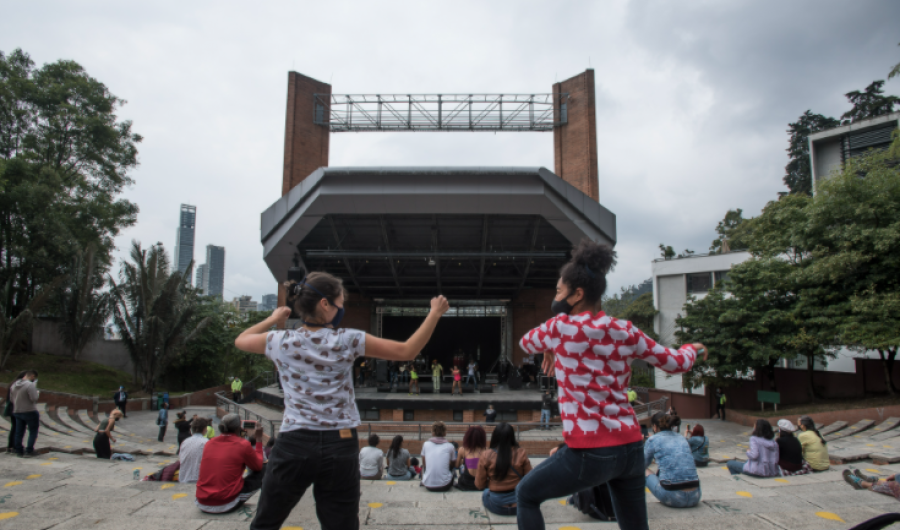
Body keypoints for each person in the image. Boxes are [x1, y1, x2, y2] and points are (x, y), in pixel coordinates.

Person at [233, 268, 449, 530]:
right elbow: (407, 350)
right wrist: (435, 313)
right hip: (340, 443)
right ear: (325, 304)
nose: (341, 310)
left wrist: (273, 317)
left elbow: (241, 340)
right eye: (339, 305)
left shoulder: (280, 341)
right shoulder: (348, 339)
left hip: (293, 443)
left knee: (266, 522)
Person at [515, 239, 708, 530]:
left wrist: (548, 347)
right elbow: (675, 362)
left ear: (577, 294)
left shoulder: (558, 328)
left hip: (589, 451)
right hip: (630, 447)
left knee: (526, 494)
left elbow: (525, 341)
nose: (556, 298)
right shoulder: (625, 331)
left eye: (559, 291)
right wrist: (695, 349)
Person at [195, 414, 265, 513]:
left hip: (202, 501)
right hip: (226, 503)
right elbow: (258, 467)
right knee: (265, 469)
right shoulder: (243, 444)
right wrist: (258, 441)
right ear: (238, 428)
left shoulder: (209, 443)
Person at [644, 413, 701, 508]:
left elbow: (642, 464)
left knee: (643, 470)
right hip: (696, 496)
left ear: (655, 426)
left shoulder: (653, 439)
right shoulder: (682, 438)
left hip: (673, 497)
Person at [476, 422, 533, 516]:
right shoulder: (521, 452)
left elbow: (479, 485)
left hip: (497, 506)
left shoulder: (486, 455)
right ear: (512, 437)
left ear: (494, 437)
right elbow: (531, 479)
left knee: (486, 493)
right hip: (519, 505)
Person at [11, 370, 41, 458]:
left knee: (19, 432)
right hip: (29, 411)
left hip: (17, 410)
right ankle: (29, 450)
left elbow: (11, 398)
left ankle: (19, 450)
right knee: (33, 431)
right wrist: (37, 393)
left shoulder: (14, 385)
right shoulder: (30, 385)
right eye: (34, 378)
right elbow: (34, 398)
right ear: (32, 376)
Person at [421, 421, 456, 492]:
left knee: (424, 467)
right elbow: (453, 464)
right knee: (452, 468)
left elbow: (424, 464)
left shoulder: (426, 444)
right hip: (445, 485)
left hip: (428, 485)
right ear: (445, 433)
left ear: (432, 432)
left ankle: (424, 480)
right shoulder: (450, 446)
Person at [455, 426, 487, 491]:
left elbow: (457, 466)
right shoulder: (486, 450)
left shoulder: (462, 450)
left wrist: (465, 461)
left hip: (466, 484)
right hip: (481, 485)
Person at [179, 417, 210, 483]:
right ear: (204, 429)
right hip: (198, 479)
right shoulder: (206, 442)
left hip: (183, 478)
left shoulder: (185, 442)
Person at [4, 372, 25, 455]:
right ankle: (16, 446)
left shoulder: (13, 384)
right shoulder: (19, 386)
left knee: (14, 428)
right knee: (18, 428)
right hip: (17, 409)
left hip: (11, 408)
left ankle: (10, 446)